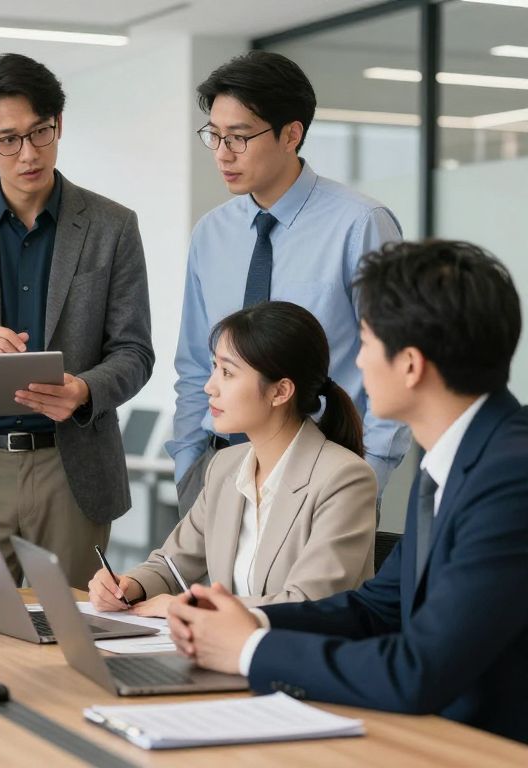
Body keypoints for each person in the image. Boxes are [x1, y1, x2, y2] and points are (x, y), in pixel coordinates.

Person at [167, 240, 528, 744]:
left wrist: (248, 650)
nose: (355, 361)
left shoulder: (511, 477)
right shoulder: (455, 460)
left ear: (410, 364)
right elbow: (373, 609)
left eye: (364, 340)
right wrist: (242, 619)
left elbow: (417, 670)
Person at [0, 53, 154, 590]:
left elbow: (134, 352)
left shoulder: (112, 226)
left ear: (59, 124)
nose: (29, 153)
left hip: (73, 468)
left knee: (72, 637)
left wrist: (85, 389)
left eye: (41, 132)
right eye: (8, 140)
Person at [167, 50, 410, 516]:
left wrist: (368, 476)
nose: (222, 154)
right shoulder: (211, 233)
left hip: (321, 473)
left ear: (291, 134)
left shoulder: (361, 225)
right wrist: (189, 467)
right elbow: (196, 363)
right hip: (217, 471)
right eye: (214, 136)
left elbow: (395, 358)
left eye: (239, 137)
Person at [89, 301, 376, 616]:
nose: (209, 386)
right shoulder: (226, 466)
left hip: (300, 657)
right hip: (230, 653)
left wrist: (189, 607)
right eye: (214, 368)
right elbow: (172, 565)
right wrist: (128, 586)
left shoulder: (345, 478)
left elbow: (309, 603)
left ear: (280, 392)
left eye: (227, 372)